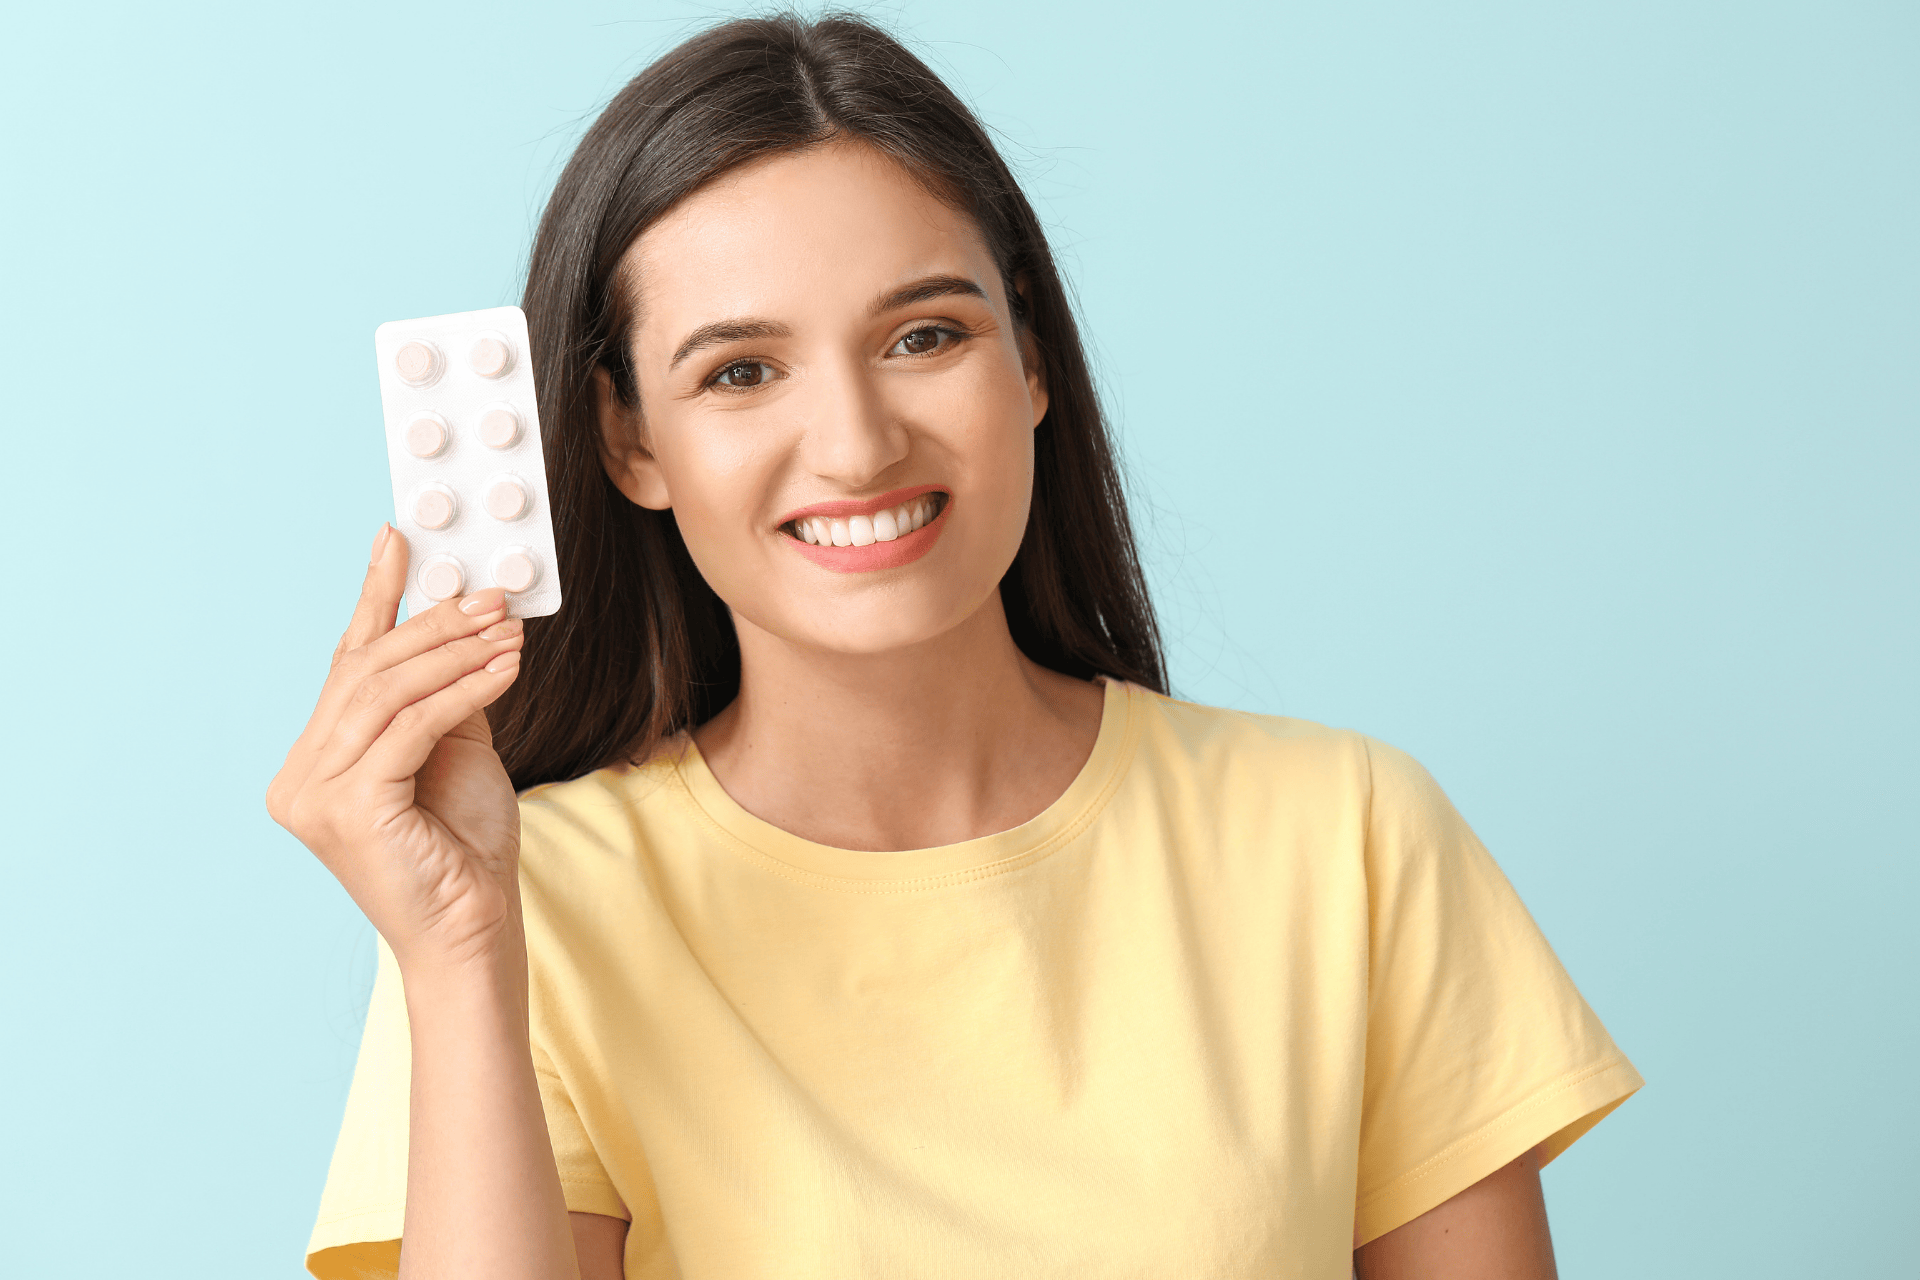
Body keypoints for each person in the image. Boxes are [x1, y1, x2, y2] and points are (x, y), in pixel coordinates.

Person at [272, 13, 1643, 1280]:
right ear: (632, 439)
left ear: (1031, 363)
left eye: (925, 335)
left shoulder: (1346, 840)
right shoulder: (525, 914)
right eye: (740, 371)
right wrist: (458, 956)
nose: (860, 444)